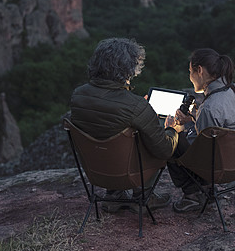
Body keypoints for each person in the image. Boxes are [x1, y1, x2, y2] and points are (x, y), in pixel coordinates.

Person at [69, 37, 178, 212]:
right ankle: (144, 197)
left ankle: (114, 196)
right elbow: (164, 150)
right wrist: (173, 128)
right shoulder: (136, 106)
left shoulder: (78, 95)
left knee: (110, 133)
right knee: (155, 138)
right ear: (128, 69)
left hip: (96, 172)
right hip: (130, 174)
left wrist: (139, 111)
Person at [166, 48, 235, 213]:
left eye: (190, 71)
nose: (190, 76)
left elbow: (202, 152)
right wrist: (194, 118)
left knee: (171, 140)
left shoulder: (209, 107)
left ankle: (193, 195)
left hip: (218, 169)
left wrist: (176, 129)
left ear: (200, 71)